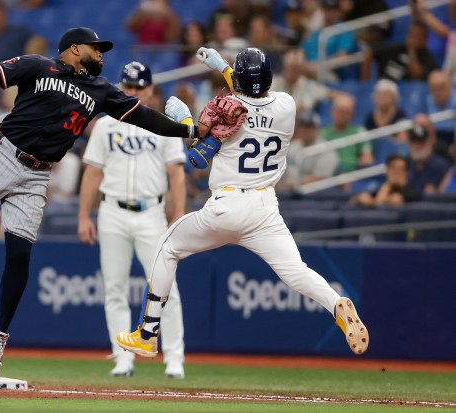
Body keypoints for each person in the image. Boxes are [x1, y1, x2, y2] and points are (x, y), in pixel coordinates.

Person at [0, 26, 202, 377]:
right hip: (3, 153)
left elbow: (146, 118)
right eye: (95, 48)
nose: (101, 55)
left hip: (38, 173)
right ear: (74, 49)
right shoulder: (37, 66)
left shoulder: (101, 90)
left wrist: (190, 131)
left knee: (20, 253)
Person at [116, 47, 369, 359]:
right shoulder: (287, 106)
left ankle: (147, 333)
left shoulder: (228, 110)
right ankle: (334, 302)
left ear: (237, 81)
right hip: (265, 209)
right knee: (295, 270)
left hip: (227, 206)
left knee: (167, 248)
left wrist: (185, 121)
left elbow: (196, 157)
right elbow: (252, 96)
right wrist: (224, 66)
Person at [78, 62, 187, 378]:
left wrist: (177, 214)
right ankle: (123, 356)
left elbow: (176, 173)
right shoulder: (104, 124)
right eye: (128, 86)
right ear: (120, 87)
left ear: (150, 89)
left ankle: (174, 357)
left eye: (139, 87)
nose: (133, 92)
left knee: (166, 286)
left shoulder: (163, 123)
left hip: (152, 213)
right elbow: (93, 172)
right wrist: (85, 214)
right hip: (111, 210)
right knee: (114, 287)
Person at [351, 154, 420, 208]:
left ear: (406, 173)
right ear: (387, 170)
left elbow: (392, 200)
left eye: (401, 169)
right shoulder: (380, 188)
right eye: (393, 168)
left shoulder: (411, 192)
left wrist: (386, 188)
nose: (397, 173)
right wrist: (360, 198)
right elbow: (355, 200)